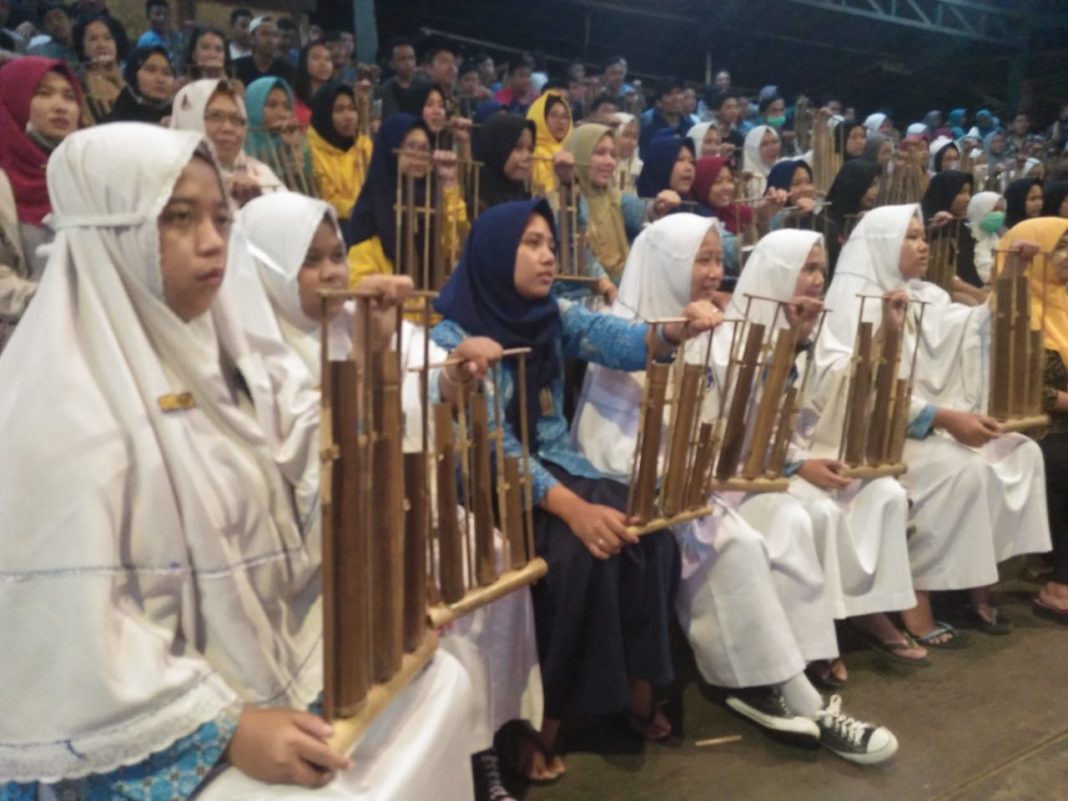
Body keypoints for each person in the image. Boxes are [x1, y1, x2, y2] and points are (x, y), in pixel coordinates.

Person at [0, 122, 479, 801]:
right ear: (112, 234)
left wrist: (386, 585)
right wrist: (223, 727)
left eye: (221, 219)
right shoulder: (55, 409)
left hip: (267, 662)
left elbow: (314, 485)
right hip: (142, 736)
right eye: (178, 218)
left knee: (443, 681)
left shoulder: (233, 365)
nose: (211, 241)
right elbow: (70, 636)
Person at [235, 189, 545, 796]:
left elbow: (431, 372)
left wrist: (457, 369)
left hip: (399, 508)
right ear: (265, 268)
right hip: (320, 542)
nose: (332, 272)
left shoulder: (356, 317)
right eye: (311, 259)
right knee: (428, 594)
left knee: (496, 555)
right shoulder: (249, 350)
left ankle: (491, 732)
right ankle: (465, 745)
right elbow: (311, 465)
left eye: (337, 254)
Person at [572, 215, 901, 764]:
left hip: (711, 482)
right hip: (651, 493)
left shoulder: (715, 331)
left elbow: (744, 418)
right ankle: (798, 698)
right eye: (699, 260)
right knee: (734, 544)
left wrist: (792, 345)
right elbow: (603, 445)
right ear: (669, 265)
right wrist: (679, 470)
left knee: (793, 518)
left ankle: (781, 678)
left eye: (715, 259)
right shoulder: (625, 332)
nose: (712, 272)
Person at [431, 196, 719, 771]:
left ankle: (637, 689)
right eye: (531, 244)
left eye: (550, 246)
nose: (547, 258)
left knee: (648, 528)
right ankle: (545, 718)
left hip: (557, 465)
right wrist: (572, 510)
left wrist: (673, 333)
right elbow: (489, 449)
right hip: (486, 487)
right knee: (578, 555)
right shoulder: (451, 338)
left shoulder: (548, 315)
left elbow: (614, 340)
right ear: (493, 252)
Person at [815, 204, 1051, 648]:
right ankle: (919, 591)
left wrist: (1010, 279)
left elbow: (969, 332)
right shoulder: (851, 301)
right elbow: (850, 389)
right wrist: (939, 417)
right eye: (910, 237)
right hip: (873, 435)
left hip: (929, 421)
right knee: (958, 469)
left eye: (923, 235)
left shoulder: (924, 293)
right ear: (883, 244)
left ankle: (973, 579)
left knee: (1020, 452)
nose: (922, 245)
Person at [1003, 218, 1068, 624]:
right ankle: (1059, 585)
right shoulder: (1013, 306)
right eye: (1059, 248)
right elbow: (1019, 385)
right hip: (1034, 423)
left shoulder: (1063, 303)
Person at [0, 56, 81, 352]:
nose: (60, 106)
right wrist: (48, 299)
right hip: (19, 345)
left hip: (89, 340)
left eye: (69, 96)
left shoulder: (91, 177)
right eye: (43, 93)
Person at [346, 113, 467, 284]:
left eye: (425, 148)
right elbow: (360, 288)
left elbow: (455, 249)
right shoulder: (371, 213)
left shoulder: (433, 202)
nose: (418, 155)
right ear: (390, 150)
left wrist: (450, 184)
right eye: (410, 146)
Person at [170, 78, 282, 203]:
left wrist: (257, 204)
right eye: (215, 116)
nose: (228, 128)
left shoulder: (260, 174)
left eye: (236, 119)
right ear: (188, 120)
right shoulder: (166, 182)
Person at [306, 81, 372, 220]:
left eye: (351, 108)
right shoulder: (310, 152)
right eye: (339, 110)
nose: (348, 117)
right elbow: (327, 199)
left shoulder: (365, 145)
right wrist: (358, 210)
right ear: (324, 114)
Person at [243, 75, 315, 195]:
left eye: (287, 107)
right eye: (272, 105)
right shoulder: (238, 147)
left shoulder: (298, 144)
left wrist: (291, 150)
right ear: (253, 107)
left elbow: (307, 193)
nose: (282, 114)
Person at [471, 112, 534, 213]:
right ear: (495, 148)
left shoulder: (527, 197)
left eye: (530, 149)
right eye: (518, 147)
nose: (527, 156)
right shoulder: (474, 204)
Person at [73, 11, 125, 122]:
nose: (102, 45)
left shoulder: (130, 78)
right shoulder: (78, 83)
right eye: (93, 39)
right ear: (82, 46)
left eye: (108, 38)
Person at [103, 43, 173, 124]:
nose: (161, 79)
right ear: (132, 74)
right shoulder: (110, 126)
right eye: (150, 70)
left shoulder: (180, 121)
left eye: (167, 73)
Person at [527, 88, 571, 195]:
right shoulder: (534, 153)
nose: (560, 121)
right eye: (554, 115)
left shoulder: (571, 150)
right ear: (540, 118)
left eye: (565, 117)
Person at [232, 16, 295, 88]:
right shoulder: (238, 67)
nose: (271, 40)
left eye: (274, 35)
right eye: (264, 34)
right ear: (252, 38)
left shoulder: (286, 69)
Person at [638, 76, 692, 154]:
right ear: (659, 103)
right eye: (669, 94)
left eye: (678, 92)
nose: (676, 97)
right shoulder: (649, 131)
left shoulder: (690, 127)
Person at [378, 35, 424, 121]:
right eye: (402, 59)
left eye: (411, 58)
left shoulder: (424, 86)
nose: (408, 63)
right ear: (391, 64)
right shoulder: (385, 90)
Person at [965, 190, 1004, 285]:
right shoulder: (968, 236)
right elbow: (984, 273)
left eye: (1002, 210)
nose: (1000, 215)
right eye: (995, 210)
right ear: (980, 210)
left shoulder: (994, 235)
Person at [292, 39, 333, 128]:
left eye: (328, 59)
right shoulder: (292, 99)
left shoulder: (337, 96)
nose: (323, 64)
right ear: (303, 63)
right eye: (316, 58)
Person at [136, 0, 183, 73]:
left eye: (166, 14)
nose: (162, 18)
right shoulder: (146, 40)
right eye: (157, 14)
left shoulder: (176, 37)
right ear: (148, 16)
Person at [25, 1, 76, 66]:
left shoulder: (84, 47)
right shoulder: (41, 52)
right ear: (44, 28)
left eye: (59, 18)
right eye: (49, 21)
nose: (55, 24)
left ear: (72, 21)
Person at [742, 124, 781, 197]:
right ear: (753, 150)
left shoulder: (781, 170)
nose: (772, 148)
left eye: (775, 142)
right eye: (764, 144)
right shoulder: (750, 179)